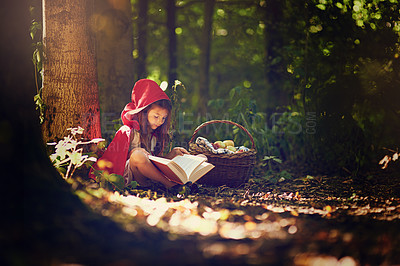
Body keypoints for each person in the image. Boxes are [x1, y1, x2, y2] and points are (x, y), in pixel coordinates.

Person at [89, 79, 190, 190]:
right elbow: (116, 159)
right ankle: (170, 185)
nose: (160, 121)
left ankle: (177, 182)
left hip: (147, 177)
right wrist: (131, 153)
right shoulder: (128, 131)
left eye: (163, 118)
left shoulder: (154, 136)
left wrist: (172, 154)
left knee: (198, 157)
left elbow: (153, 163)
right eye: (156, 116)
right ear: (144, 112)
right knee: (137, 155)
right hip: (130, 177)